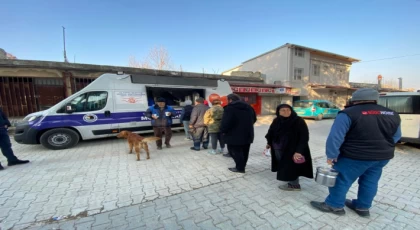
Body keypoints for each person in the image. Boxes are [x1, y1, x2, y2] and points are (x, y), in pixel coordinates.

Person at [310, 88, 401, 217]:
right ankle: (362, 207)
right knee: (370, 181)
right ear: (375, 99)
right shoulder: (392, 114)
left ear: (355, 99)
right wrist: (382, 147)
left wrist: (332, 155)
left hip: (354, 157)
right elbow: (396, 136)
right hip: (381, 157)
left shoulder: (348, 113)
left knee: (341, 180)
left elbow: (335, 137)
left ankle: (334, 205)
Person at [265, 104, 313, 191]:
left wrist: (299, 151)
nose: (286, 112)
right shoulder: (277, 120)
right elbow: (271, 132)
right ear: (278, 112)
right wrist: (268, 143)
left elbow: (304, 137)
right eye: (283, 110)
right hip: (278, 148)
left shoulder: (298, 121)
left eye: (288, 110)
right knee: (284, 165)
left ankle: (294, 185)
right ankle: (289, 178)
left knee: (292, 166)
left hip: (292, 149)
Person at [220, 94, 256, 173]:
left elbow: (226, 123)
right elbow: (254, 119)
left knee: (234, 151)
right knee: (245, 151)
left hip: (233, 135)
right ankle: (242, 165)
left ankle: (240, 168)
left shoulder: (230, 108)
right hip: (248, 134)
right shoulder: (249, 107)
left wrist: (222, 131)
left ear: (230, 100)